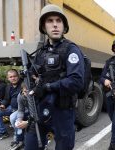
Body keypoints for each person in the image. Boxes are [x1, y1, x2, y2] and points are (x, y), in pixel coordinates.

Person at [22, 4, 84, 150]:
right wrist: (26, 86)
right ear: (44, 27)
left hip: (62, 111)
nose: (55, 24)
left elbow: (76, 82)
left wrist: (47, 87)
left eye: (58, 21)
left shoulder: (71, 49)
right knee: (30, 145)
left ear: (64, 26)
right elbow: (32, 73)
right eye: (50, 21)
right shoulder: (41, 51)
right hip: (40, 108)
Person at [0, 69, 22, 142]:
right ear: (8, 78)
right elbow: (6, 99)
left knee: (12, 117)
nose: (13, 78)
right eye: (10, 77)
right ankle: (3, 132)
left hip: (21, 108)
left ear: (18, 76)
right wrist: (3, 105)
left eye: (15, 76)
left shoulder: (23, 84)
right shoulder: (8, 86)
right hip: (11, 107)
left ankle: (19, 136)